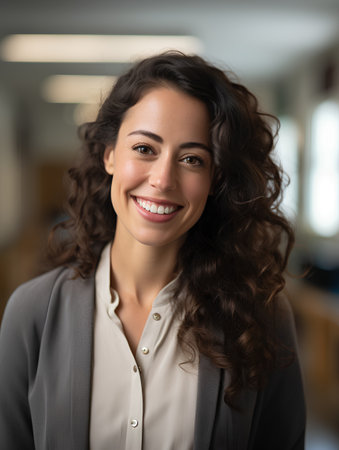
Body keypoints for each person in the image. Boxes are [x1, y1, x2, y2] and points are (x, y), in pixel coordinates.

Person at [0, 51, 305, 449]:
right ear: (110, 154)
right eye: (145, 148)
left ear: (214, 178)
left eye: (192, 159)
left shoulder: (260, 315)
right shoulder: (33, 312)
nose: (162, 179)